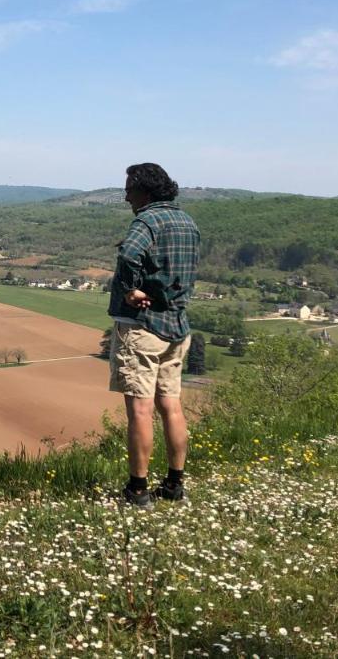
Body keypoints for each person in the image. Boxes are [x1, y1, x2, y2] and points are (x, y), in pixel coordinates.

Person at [107, 163, 200, 507]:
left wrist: (132, 290)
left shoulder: (146, 221)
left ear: (144, 190)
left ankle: (138, 490)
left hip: (142, 327)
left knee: (141, 411)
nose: (126, 195)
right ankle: (175, 485)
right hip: (177, 325)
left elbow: (129, 253)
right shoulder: (188, 222)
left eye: (130, 188)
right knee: (171, 407)